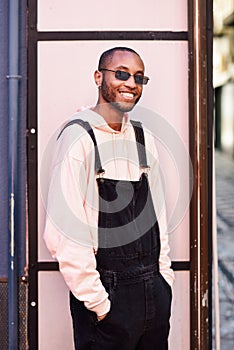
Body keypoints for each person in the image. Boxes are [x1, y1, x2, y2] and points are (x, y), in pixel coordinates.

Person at [44, 47, 174, 350]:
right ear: (98, 76)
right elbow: (63, 233)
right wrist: (100, 304)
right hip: (108, 297)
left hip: (153, 296)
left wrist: (163, 282)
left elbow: (160, 217)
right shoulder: (79, 138)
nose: (131, 83)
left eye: (139, 77)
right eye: (122, 74)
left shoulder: (143, 139)